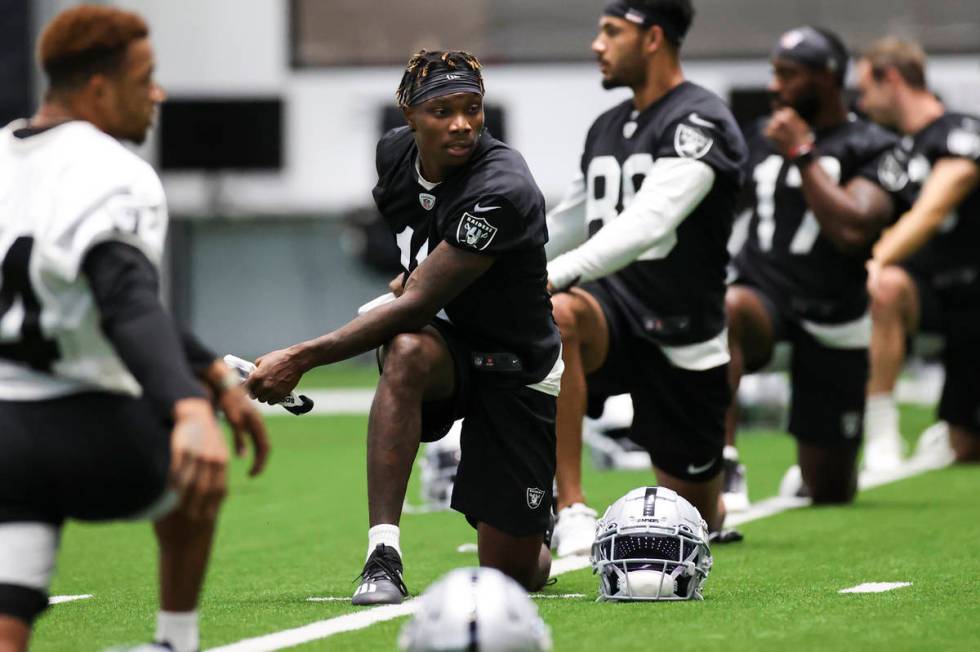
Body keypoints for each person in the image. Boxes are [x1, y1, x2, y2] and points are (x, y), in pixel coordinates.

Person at [247, 50, 563, 604]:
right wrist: (418, 273)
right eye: (442, 111)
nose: (462, 123)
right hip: (446, 346)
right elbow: (418, 269)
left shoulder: (503, 188)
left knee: (514, 573)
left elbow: (416, 301)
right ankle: (382, 555)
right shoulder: (392, 155)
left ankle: (534, 520)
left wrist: (300, 358)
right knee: (406, 349)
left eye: (472, 108)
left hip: (515, 365)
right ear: (409, 115)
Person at [0, 6, 269, 652]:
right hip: (91, 430)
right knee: (194, 469)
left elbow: (102, 298)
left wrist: (207, 366)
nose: (159, 92)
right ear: (98, 88)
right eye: (146, 76)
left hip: (3, 437)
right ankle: (175, 640)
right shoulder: (112, 171)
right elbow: (125, 301)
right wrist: (193, 406)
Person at [544, 0, 748, 556]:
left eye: (612, 31)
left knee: (697, 515)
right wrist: (472, 265)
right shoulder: (607, 126)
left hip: (685, 331)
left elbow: (650, 224)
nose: (597, 44)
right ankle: (572, 508)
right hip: (612, 310)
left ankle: (713, 491)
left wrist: (556, 273)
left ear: (653, 38)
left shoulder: (701, 122)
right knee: (560, 315)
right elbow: (566, 221)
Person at [725, 26, 897, 503]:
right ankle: (723, 465)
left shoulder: (875, 145)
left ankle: (816, 470)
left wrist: (803, 154)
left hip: (834, 313)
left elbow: (853, 230)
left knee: (831, 489)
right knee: (724, 311)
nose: (773, 86)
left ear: (827, 78)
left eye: (787, 75)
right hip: (764, 293)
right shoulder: (760, 136)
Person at [856, 37, 980, 464]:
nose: (862, 101)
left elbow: (933, 210)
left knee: (969, 448)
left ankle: (952, 431)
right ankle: (880, 436)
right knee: (885, 286)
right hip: (926, 293)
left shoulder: (961, 130)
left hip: (976, 296)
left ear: (891, 79)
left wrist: (877, 256)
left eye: (866, 89)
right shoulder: (891, 153)